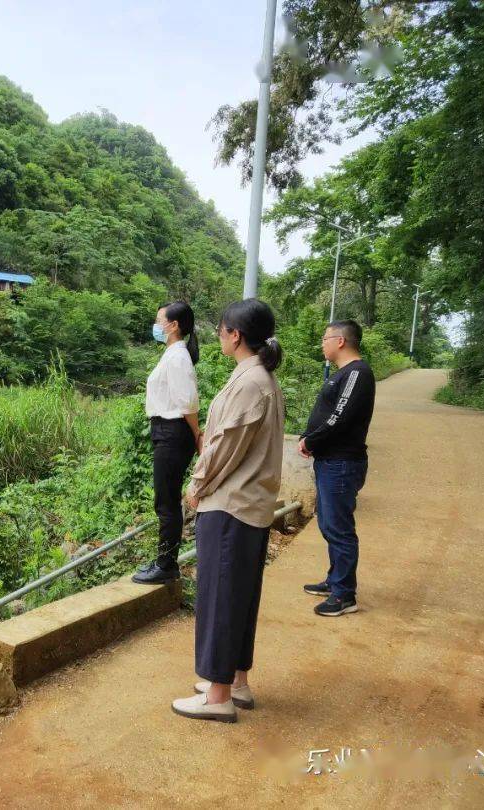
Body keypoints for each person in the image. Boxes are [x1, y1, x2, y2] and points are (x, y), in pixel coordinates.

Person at [172, 299, 285, 723]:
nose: (219, 337)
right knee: (239, 597)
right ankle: (235, 682)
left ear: (235, 335)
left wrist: (196, 485)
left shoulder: (250, 383)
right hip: (250, 506)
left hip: (231, 506)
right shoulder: (262, 378)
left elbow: (223, 447)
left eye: (221, 331)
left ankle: (218, 695)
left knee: (220, 598)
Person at [297, 320, 376, 617]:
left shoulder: (357, 373)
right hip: (330, 461)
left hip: (341, 463)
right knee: (329, 524)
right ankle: (334, 581)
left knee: (339, 528)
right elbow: (330, 413)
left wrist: (311, 440)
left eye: (325, 338)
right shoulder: (344, 373)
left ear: (340, 341)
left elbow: (340, 416)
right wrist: (310, 439)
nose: (322, 344)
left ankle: (344, 594)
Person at [133, 301, 203, 585]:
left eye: (159, 320)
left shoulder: (178, 358)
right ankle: (164, 561)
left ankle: (166, 565)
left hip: (173, 431)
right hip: (167, 431)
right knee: (165, 499)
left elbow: (188, 403)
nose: (156, 325)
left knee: (167, 502)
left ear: (173, 326)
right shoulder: (172, 354)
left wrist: (196, 434)